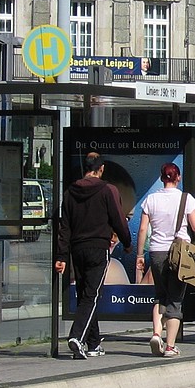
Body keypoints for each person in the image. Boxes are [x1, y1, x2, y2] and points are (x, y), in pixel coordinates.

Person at [55, 152, 132, 359]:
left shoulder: (70, 192)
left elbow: (65, 227)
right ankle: (76, 337)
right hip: (98, 248)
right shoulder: (108, 190)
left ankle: (94, 343)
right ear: (102, 168)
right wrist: (127, 243)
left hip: (76, 250)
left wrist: (61, 256)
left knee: (86, 295)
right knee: (92, 295)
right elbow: (118, 219)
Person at [135, 163, 195, 358]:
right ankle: (170, 346)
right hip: (179, 254)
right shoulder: (186, 199)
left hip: (156, 252)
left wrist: (140, 255)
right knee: (175, 299)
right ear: (177, 177)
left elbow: (142, 230)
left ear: (162, 178)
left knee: (160, 295)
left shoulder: (151, 200)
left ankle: (156, 333)